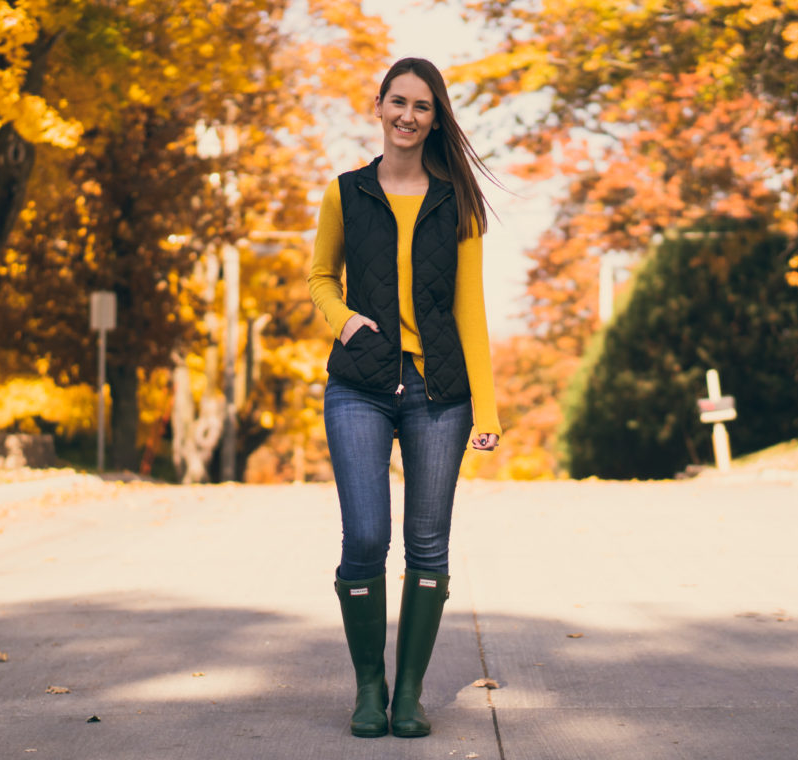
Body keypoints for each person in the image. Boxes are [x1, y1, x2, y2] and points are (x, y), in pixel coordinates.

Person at [308, 57, 502, 739]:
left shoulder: (458, 203)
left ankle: (409, 695)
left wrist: (487, 409)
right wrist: (344, 319)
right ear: (380, 106)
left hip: (438, 392)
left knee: (427, 543)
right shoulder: (346, 193)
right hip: (359, 385)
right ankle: (370, 687)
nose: (409, 116)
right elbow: (318, 278)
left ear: (434, 118)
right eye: (399, 102)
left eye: (423, 106)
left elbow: (471, 310)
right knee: (365, 536)